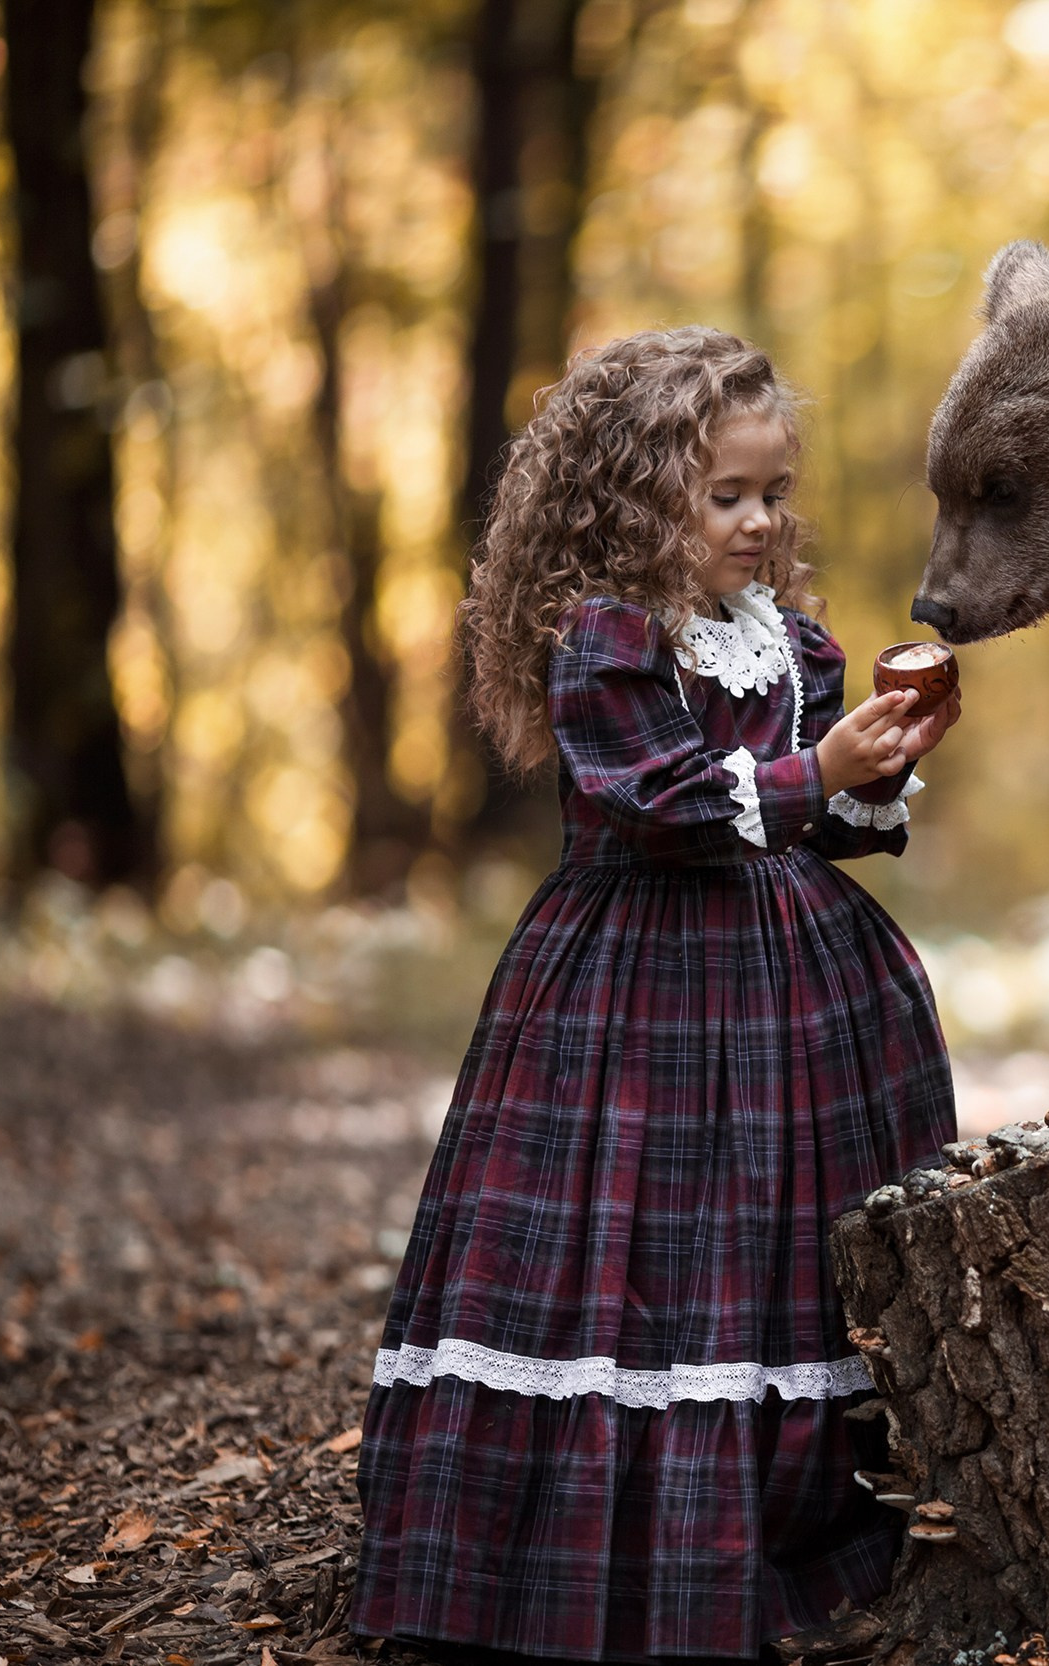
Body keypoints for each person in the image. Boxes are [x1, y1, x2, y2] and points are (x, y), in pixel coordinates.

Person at [352, 327, 957, 1661]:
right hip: (633, 985)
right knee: (645, 1254)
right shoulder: (605, 638)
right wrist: (811, 773)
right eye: (725, 496)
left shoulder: (788, 639)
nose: (758, 523)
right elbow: (666, 805)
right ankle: (594, 1558)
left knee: (782, 1246)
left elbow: (803, 823)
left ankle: (793, 1519)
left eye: (771, 494)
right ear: (636, 500)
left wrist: (869, 766)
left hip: (793, 989)